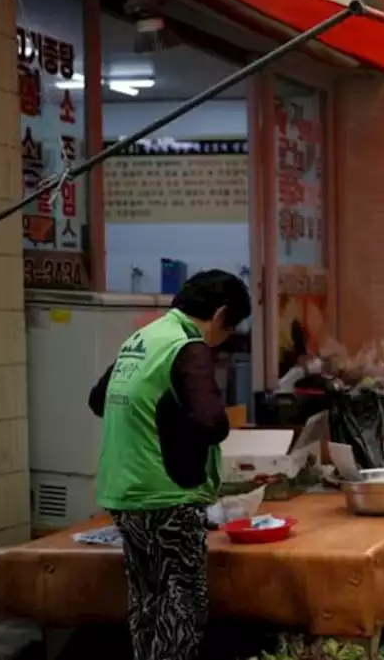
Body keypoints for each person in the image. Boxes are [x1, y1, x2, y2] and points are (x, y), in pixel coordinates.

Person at [88, 269, 252, 660]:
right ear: (221, 314)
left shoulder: (144, 338)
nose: (223, 340)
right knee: (181, 608)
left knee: (148, 605)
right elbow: (213, 423)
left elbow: (99, 400)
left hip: (124, 492)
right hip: (166, 497)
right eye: (229, 329)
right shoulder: (186, 344)